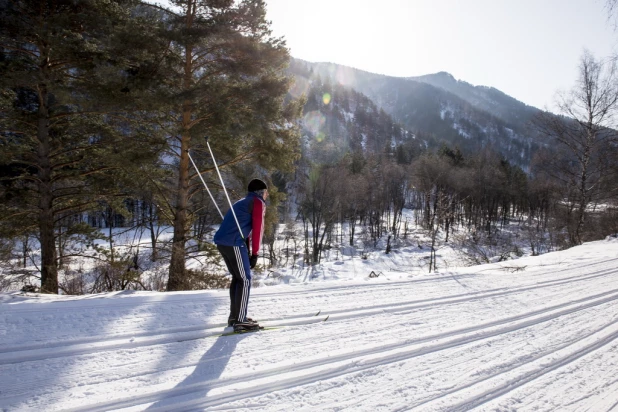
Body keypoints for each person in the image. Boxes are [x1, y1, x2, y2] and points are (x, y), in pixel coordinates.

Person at [213, 178, 268, 332]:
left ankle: (235, 317)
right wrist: (255, 254)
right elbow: (258, 229)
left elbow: (246, 231)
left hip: (224, 242)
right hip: (233, 243)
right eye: (266, 192)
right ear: (261, 192)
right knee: (244, 279)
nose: (267, 195)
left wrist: (250, 252)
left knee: (238, 278)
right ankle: (240, 320)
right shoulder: (258, 202)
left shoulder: (243, 202)